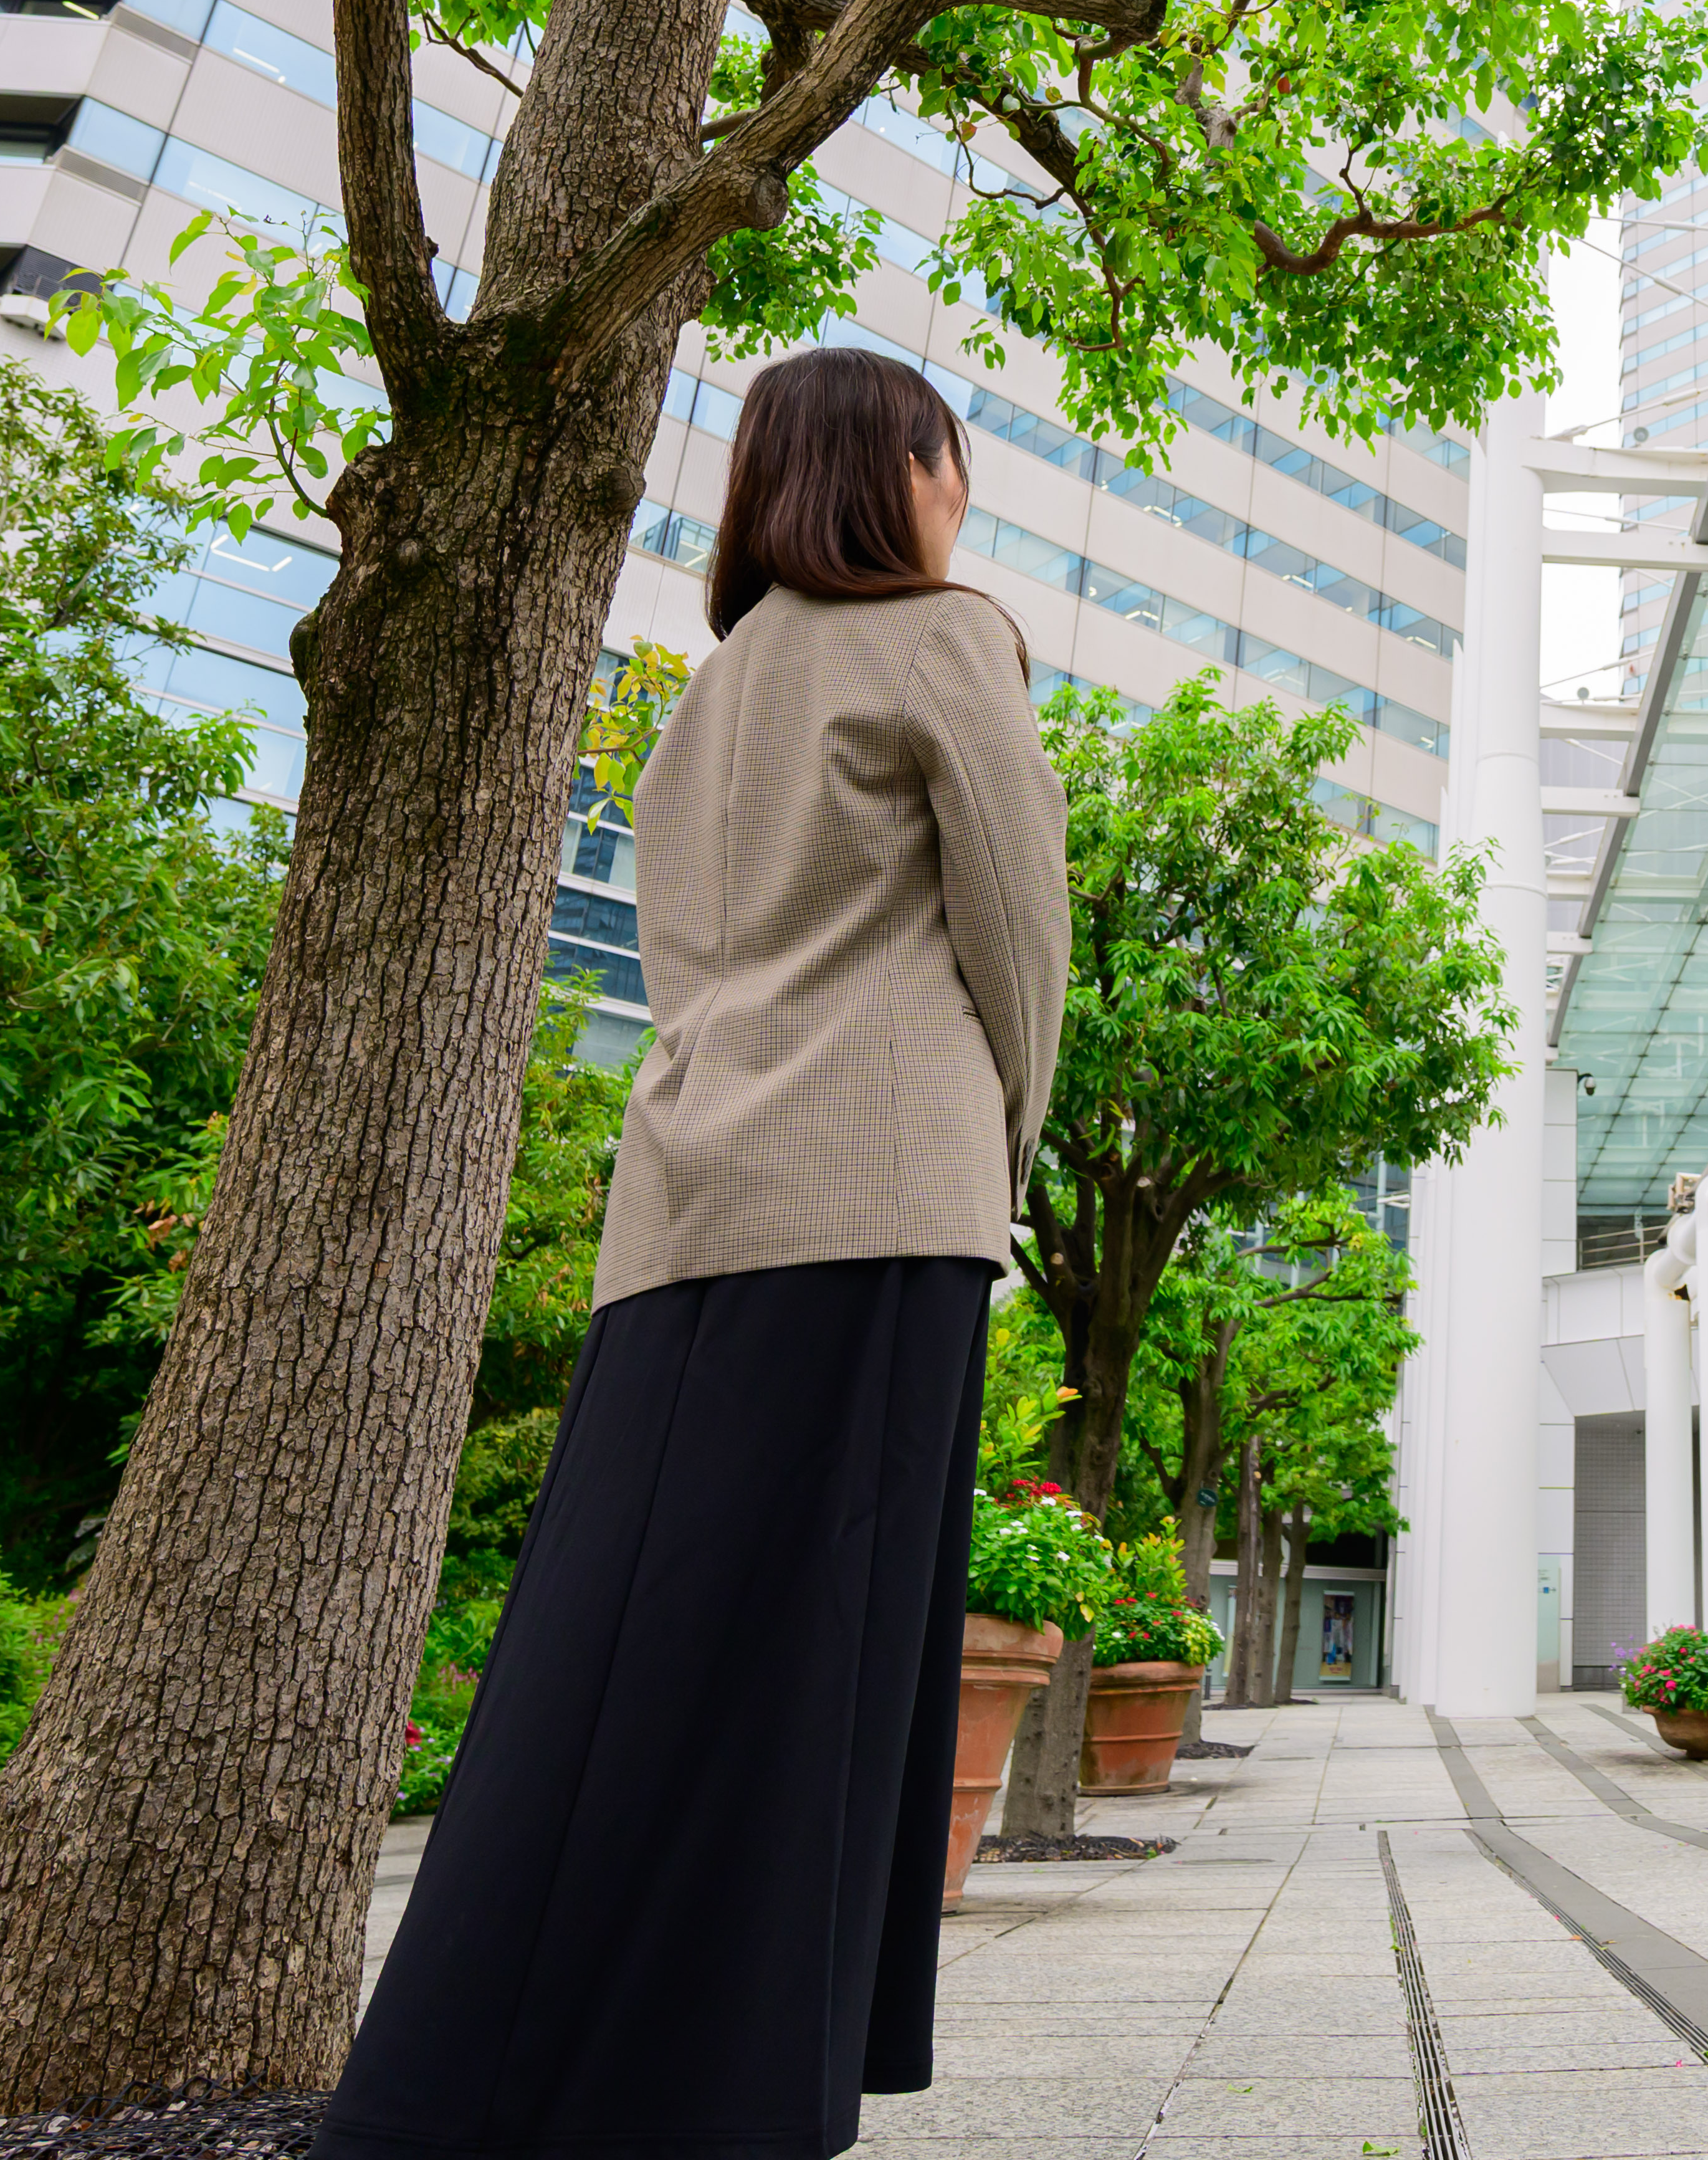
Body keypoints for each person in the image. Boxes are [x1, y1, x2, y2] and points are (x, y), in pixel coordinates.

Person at [320, 345, 1069, 2160]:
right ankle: (741, 2093)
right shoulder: (943, 637)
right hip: (879, 1192)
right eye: (946, 463)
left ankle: (460, 2076)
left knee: (616, 1643)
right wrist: (1003, 1147)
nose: (958, 498)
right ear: (894, 469)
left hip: (683, 1201)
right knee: (823, 1656)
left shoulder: (709, 689)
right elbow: (1017, 933)